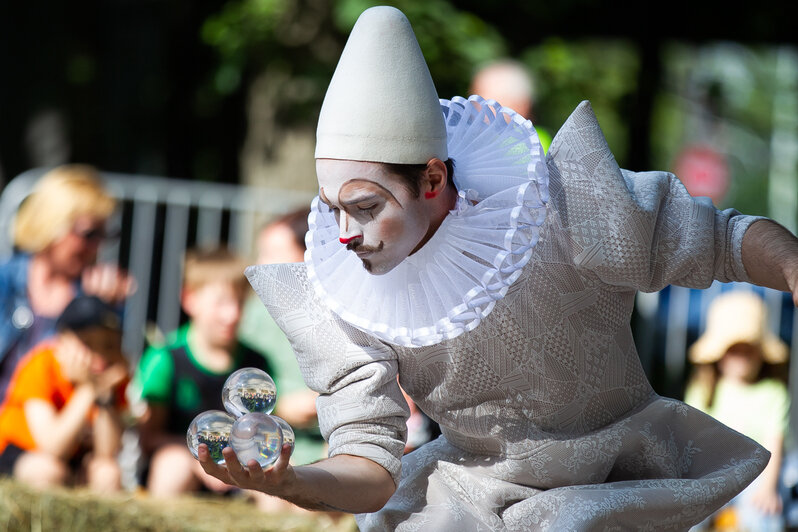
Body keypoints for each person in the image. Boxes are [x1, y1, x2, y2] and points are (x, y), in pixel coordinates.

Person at [198, 7, 798, 530]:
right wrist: (290, 481)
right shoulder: (346, 294)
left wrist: (792, 265)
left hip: (614, 468)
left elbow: (722, 239)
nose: (347, 235)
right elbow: (371, 464)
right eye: (334, 211)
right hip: (471, 493)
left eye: (365, 206)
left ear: (433, 179)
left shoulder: (561, 209)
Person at [131, 247, 273, 497]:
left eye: (239, 302)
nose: (232, 315)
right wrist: (203, 460)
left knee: (274, 485)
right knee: (171, 467)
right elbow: (149, 437)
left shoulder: (256, 363)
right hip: (184, 466)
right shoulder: (164, 359)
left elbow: (262, 433)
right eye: (221, 302)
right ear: (190, 299)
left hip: (237, 474)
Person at [0, 164, 134, 404]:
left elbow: (109, 383)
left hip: (56, 426)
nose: (97, 246)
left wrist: (99, 312)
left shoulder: (97, 296)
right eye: (90, 234)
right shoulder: (5, 279)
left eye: (105, 235)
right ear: (51, 224)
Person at [0, 295, 129, 492]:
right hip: (20, 454)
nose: (99, 356)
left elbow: (108, 452)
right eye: (88, 344)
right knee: (49, 471)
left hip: (72, 459)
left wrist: (105, 395)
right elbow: (53, 446)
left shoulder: (110, 379)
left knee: (108, 473)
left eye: (108, 345)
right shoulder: (41, 365)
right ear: (62, 341)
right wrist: (88, 390)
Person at [685, 291, 789, 531]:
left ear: (761, 352)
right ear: (720, 354)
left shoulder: (773, 392)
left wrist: (768, 488)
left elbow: (774, 443)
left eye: (748, 349)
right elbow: (692, 438)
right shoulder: (703, 389)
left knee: (763, 515)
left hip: (758, 474)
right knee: (689, 514)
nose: (741, 357)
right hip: (713, 472)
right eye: (733, 350)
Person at [238, 209, 327, 468]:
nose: (257, 265)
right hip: (271, 442)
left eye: (272, 254)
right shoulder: (255, 315)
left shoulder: (344, 313)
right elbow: (237, 380)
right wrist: (278, 407)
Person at [469, 59, 552, 152]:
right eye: (474, 101)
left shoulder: (534, 142)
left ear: (522, 105)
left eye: (487, 103)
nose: (475, 108)